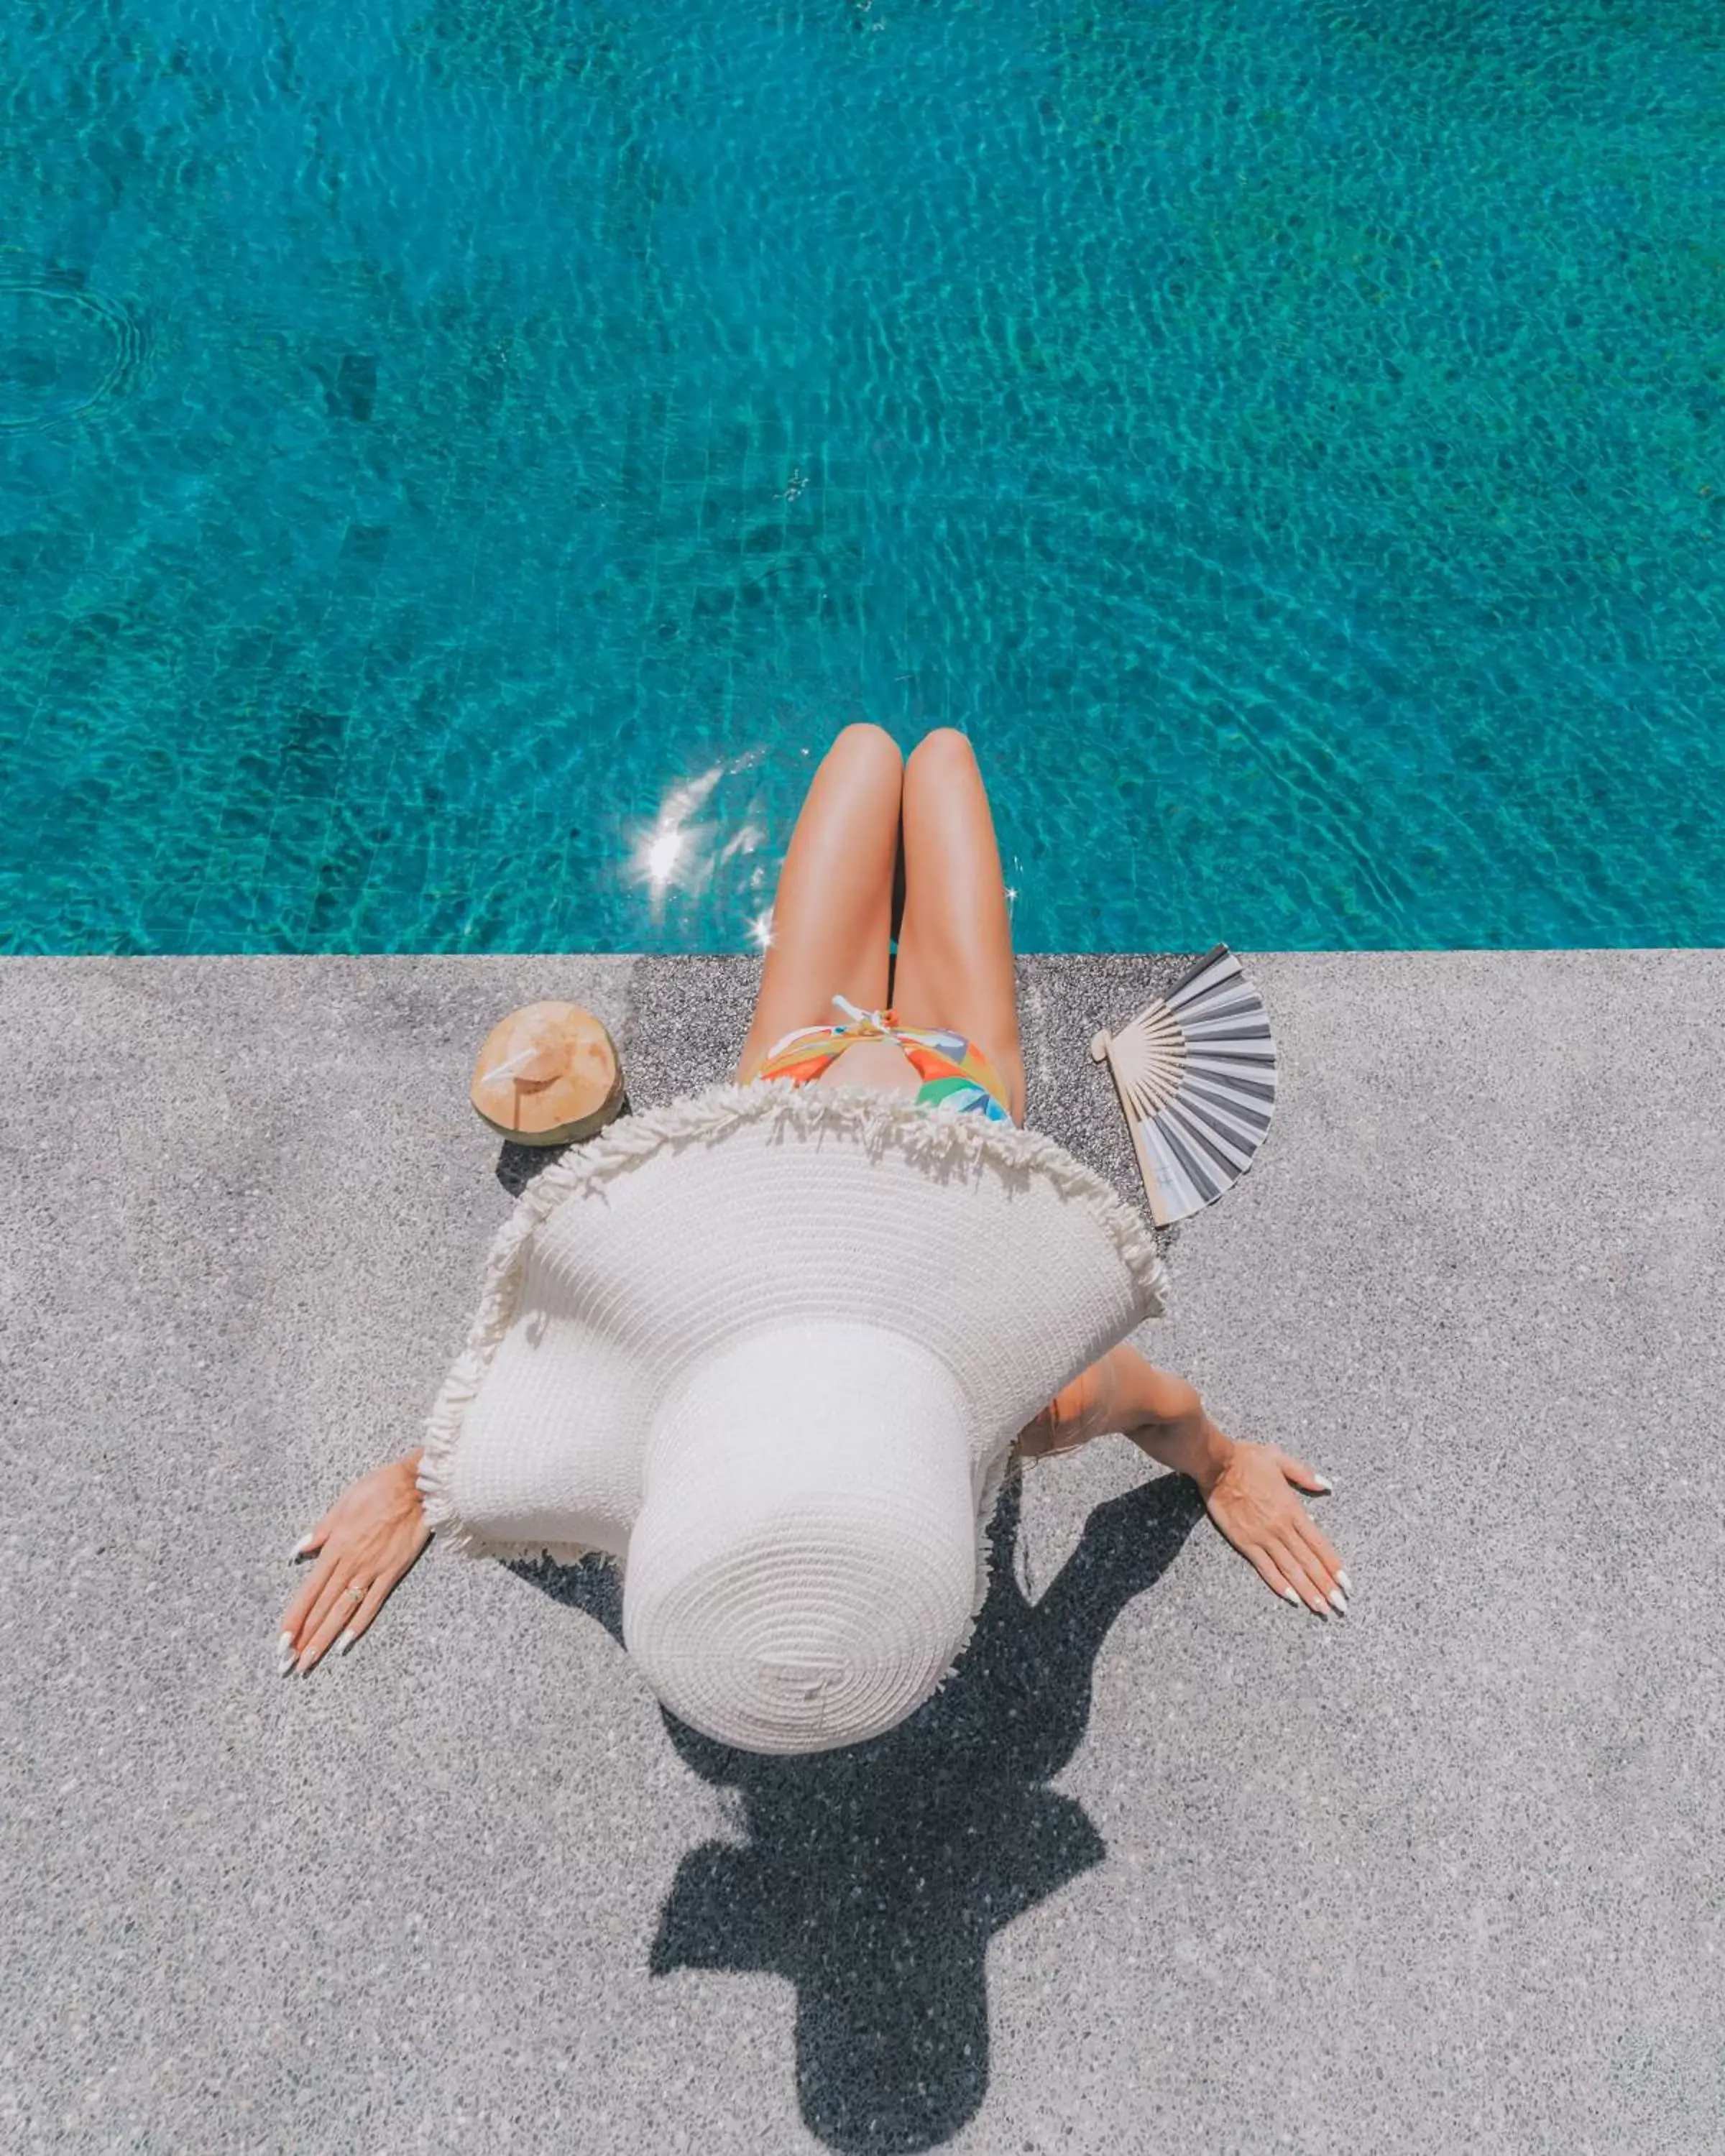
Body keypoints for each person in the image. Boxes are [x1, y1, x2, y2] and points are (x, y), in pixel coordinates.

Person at [278, 727, 1348, 1749]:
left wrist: (426, 1480)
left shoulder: (682, 1414)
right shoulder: (1030, 1409)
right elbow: (1166, 1409)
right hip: (950, 1078)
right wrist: (1221, 1469)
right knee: (931, 761)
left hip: (795, 1078)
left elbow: (562, 1389)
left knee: (869, 757)